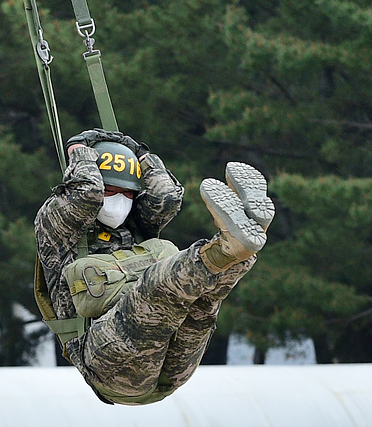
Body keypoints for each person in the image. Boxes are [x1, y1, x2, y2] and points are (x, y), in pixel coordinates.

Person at [34, 129, 273, 405]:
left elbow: (167, 197)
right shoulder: (58, 234)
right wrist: (79, 149)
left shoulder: (135, 227)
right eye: (110, 190)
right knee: (158, 284)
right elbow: (85, 192)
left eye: (127, 192)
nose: (118, 200)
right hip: (109, 366)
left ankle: (239, 250)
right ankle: (227, 248)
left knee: (205, 296)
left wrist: (142, 155)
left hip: (172, 371)